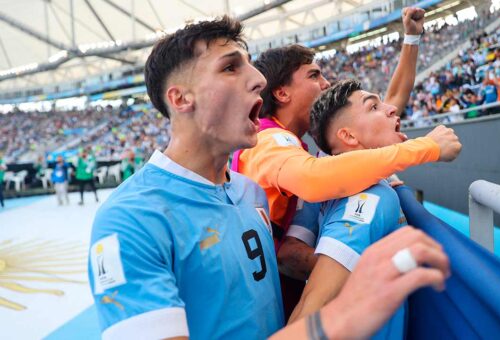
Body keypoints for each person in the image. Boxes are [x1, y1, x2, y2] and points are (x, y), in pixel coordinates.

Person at [89, 16, 450, 339]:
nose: (257, 79)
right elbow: (313, 181)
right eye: (230, 68)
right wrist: (339, 312)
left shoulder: (249, 192)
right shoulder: (128, 220)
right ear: (181, 98)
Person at [235, 7, 461, 317]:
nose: (326, 83)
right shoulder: (269, 139)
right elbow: (314, 182)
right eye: (314, 75)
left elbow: (386, 109)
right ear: (282, 92)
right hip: (271, 304)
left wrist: (410, 38)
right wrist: (427, 148)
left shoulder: (300, 146)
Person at [289, 81, 418, 335]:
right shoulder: (371, 198)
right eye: (373, 107)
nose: (392, 109)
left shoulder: (353, 185)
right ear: (348, 136)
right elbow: (313, 306)